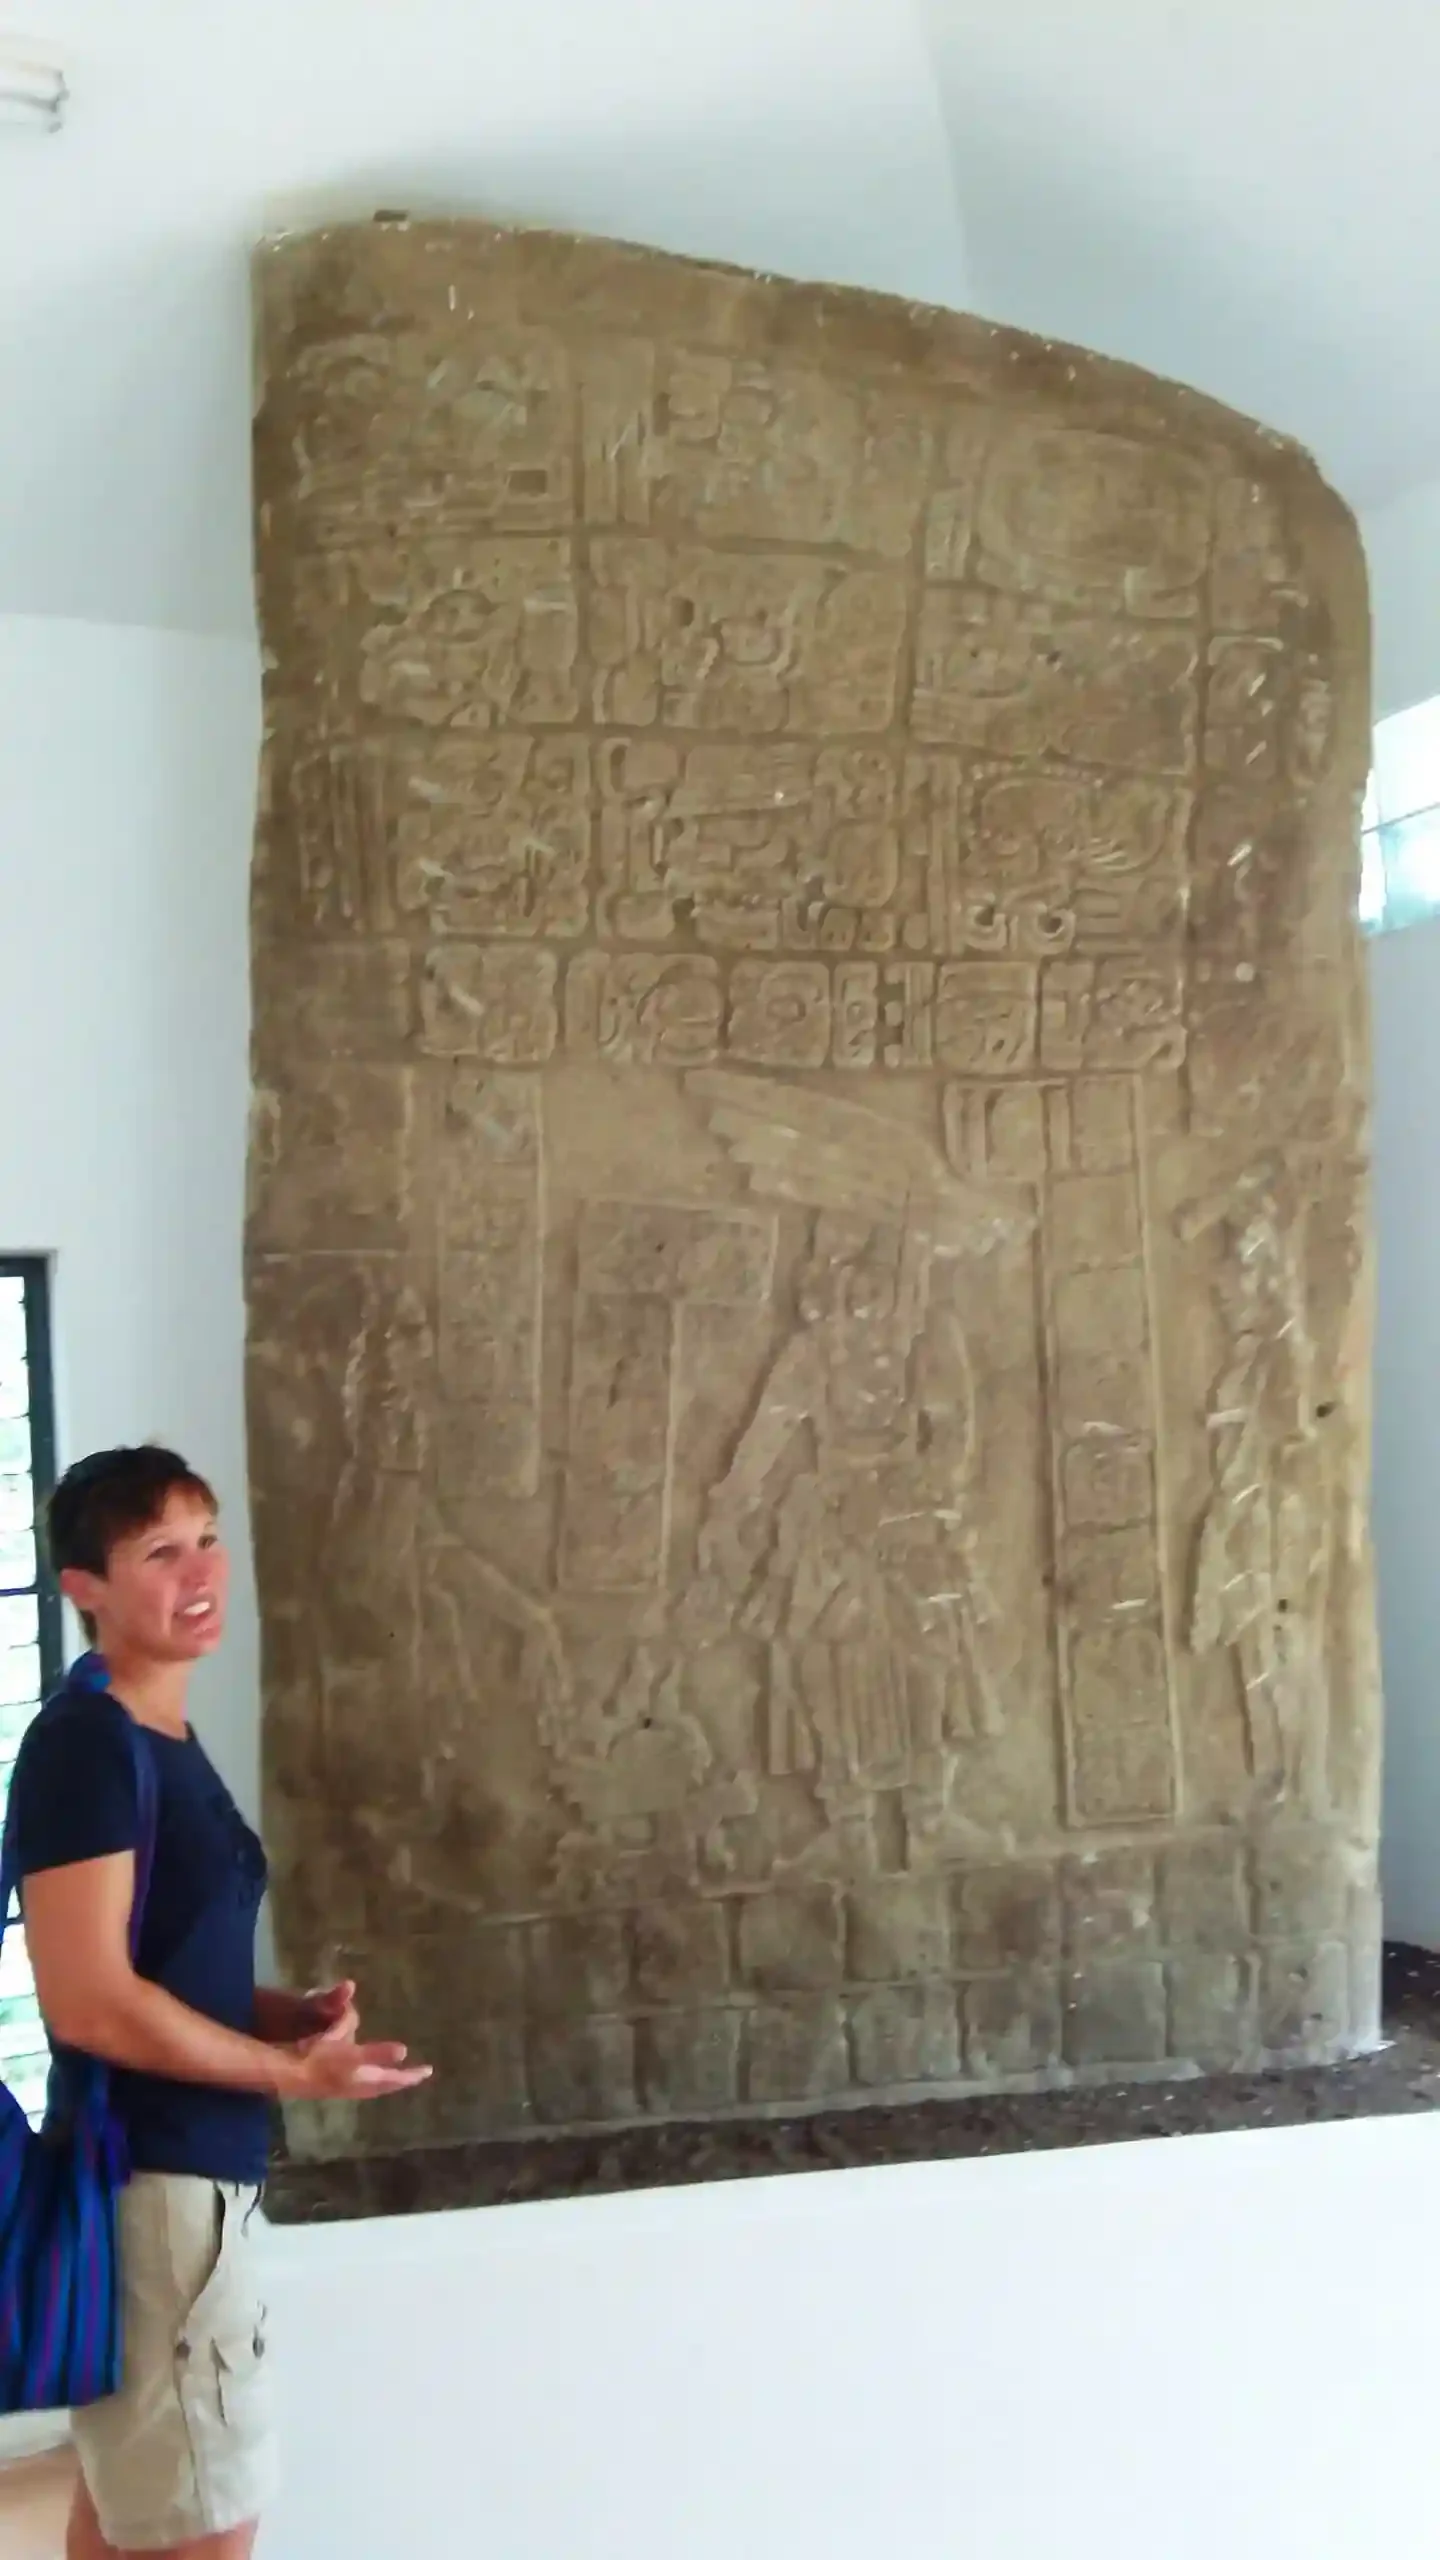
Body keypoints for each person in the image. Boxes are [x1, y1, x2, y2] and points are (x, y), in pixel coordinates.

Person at [5, 1445, 430, 2560]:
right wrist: (294, 2074)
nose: (198, 1570)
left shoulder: (160, 1739)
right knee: (199, 2536)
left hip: (190, 2187)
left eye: (206, 1538)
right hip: (157, 2194)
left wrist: (275, 2012)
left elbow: (155, 1964)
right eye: (158, 1551)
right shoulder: (86, 1750)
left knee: (131, 2529)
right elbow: (90, 1998)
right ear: (85, 1588)